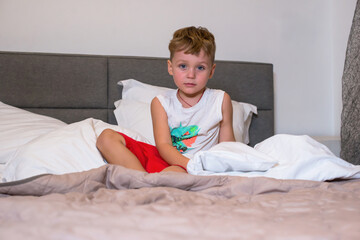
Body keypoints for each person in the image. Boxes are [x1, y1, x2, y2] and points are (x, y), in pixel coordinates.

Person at [96, 26, 235, 173]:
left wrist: (200, 168)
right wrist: (188, 164)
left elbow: (227, 148)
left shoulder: (220, 100)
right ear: (170, 67)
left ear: (211, 71)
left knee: (174, 173)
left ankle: (149, 184)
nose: (191, 75)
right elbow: (163, 146)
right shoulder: (161, 102)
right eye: (183, 66)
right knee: (106, 137)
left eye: (200, 68)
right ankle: (142, 180)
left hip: (198, 168)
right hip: (166, 159)